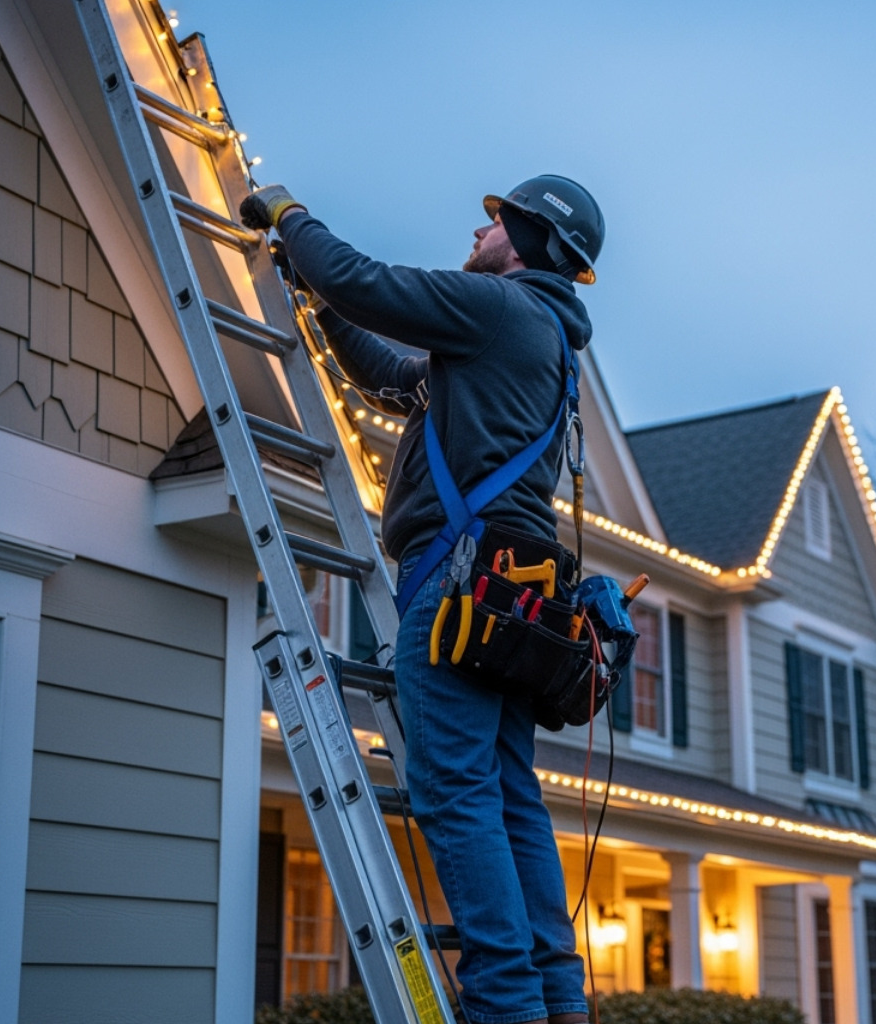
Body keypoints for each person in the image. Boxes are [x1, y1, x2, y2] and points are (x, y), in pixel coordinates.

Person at [240, 175, 604, 1024]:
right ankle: (555, 1001)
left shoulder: (499, 308)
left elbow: (366, 281)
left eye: (495, 223)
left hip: (457, 587)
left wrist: (292, 219)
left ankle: (503, 1004)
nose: (478, 233)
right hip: (511, 596)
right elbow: (393, 378)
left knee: (456, 791)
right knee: (509, 796)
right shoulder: (539, 340)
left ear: (529, 239)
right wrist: (322, 306)